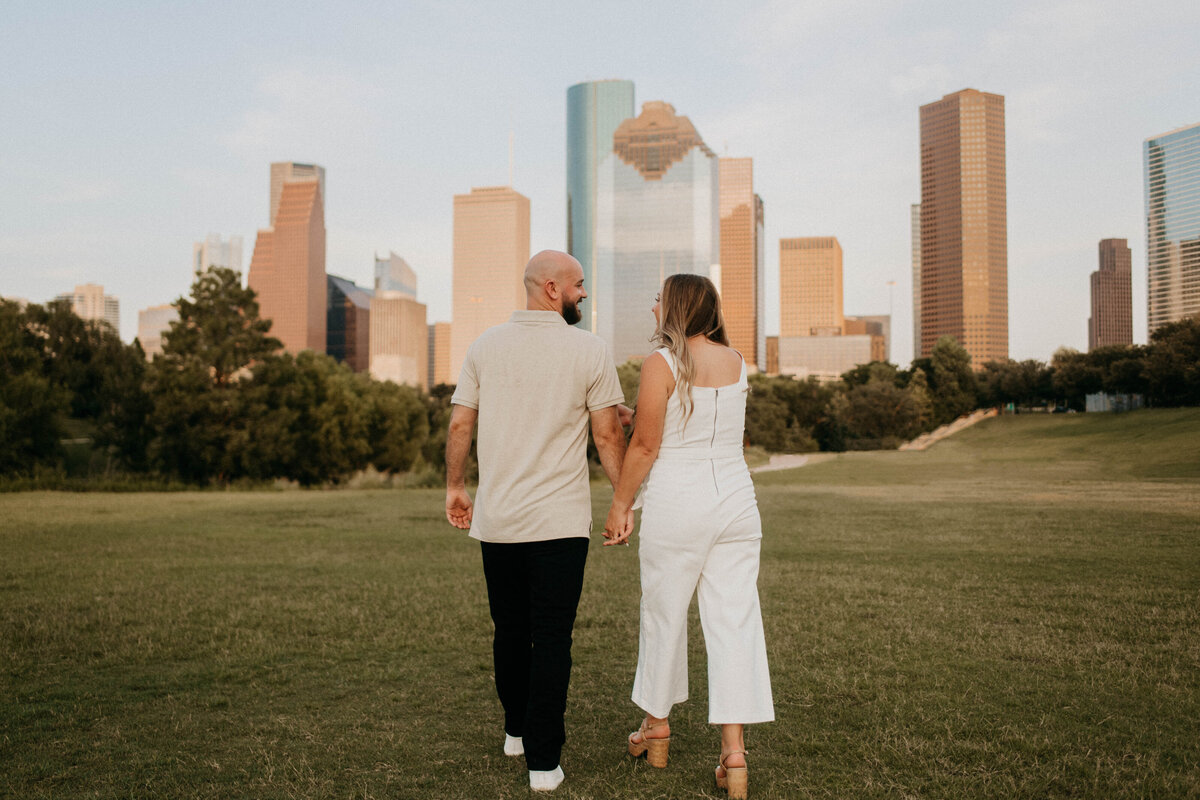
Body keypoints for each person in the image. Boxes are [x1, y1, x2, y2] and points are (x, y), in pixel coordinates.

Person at [445, 250, 630, 793]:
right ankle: (543, 764)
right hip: (558, 525)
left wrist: (456, 487)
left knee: (510, 630)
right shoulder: (590, 349)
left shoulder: (484, 345)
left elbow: (460, 425)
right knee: (551, 638)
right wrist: (624, 501)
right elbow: (607, 437)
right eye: (577, 285)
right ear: (551, 288)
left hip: (498, 522)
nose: (584, 293)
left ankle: (517, 732)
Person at [603, 273, 773, 800]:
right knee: (734, 620)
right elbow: (708, 429)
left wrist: (619, 504)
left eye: (658, 299)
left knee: (664, 613)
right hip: (737, 504)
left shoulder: (662, 363)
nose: (653, 306)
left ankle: (655, 726)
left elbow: (647, 446)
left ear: (675, 307)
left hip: (679, 503)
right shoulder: (738, 361)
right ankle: (734, 754)